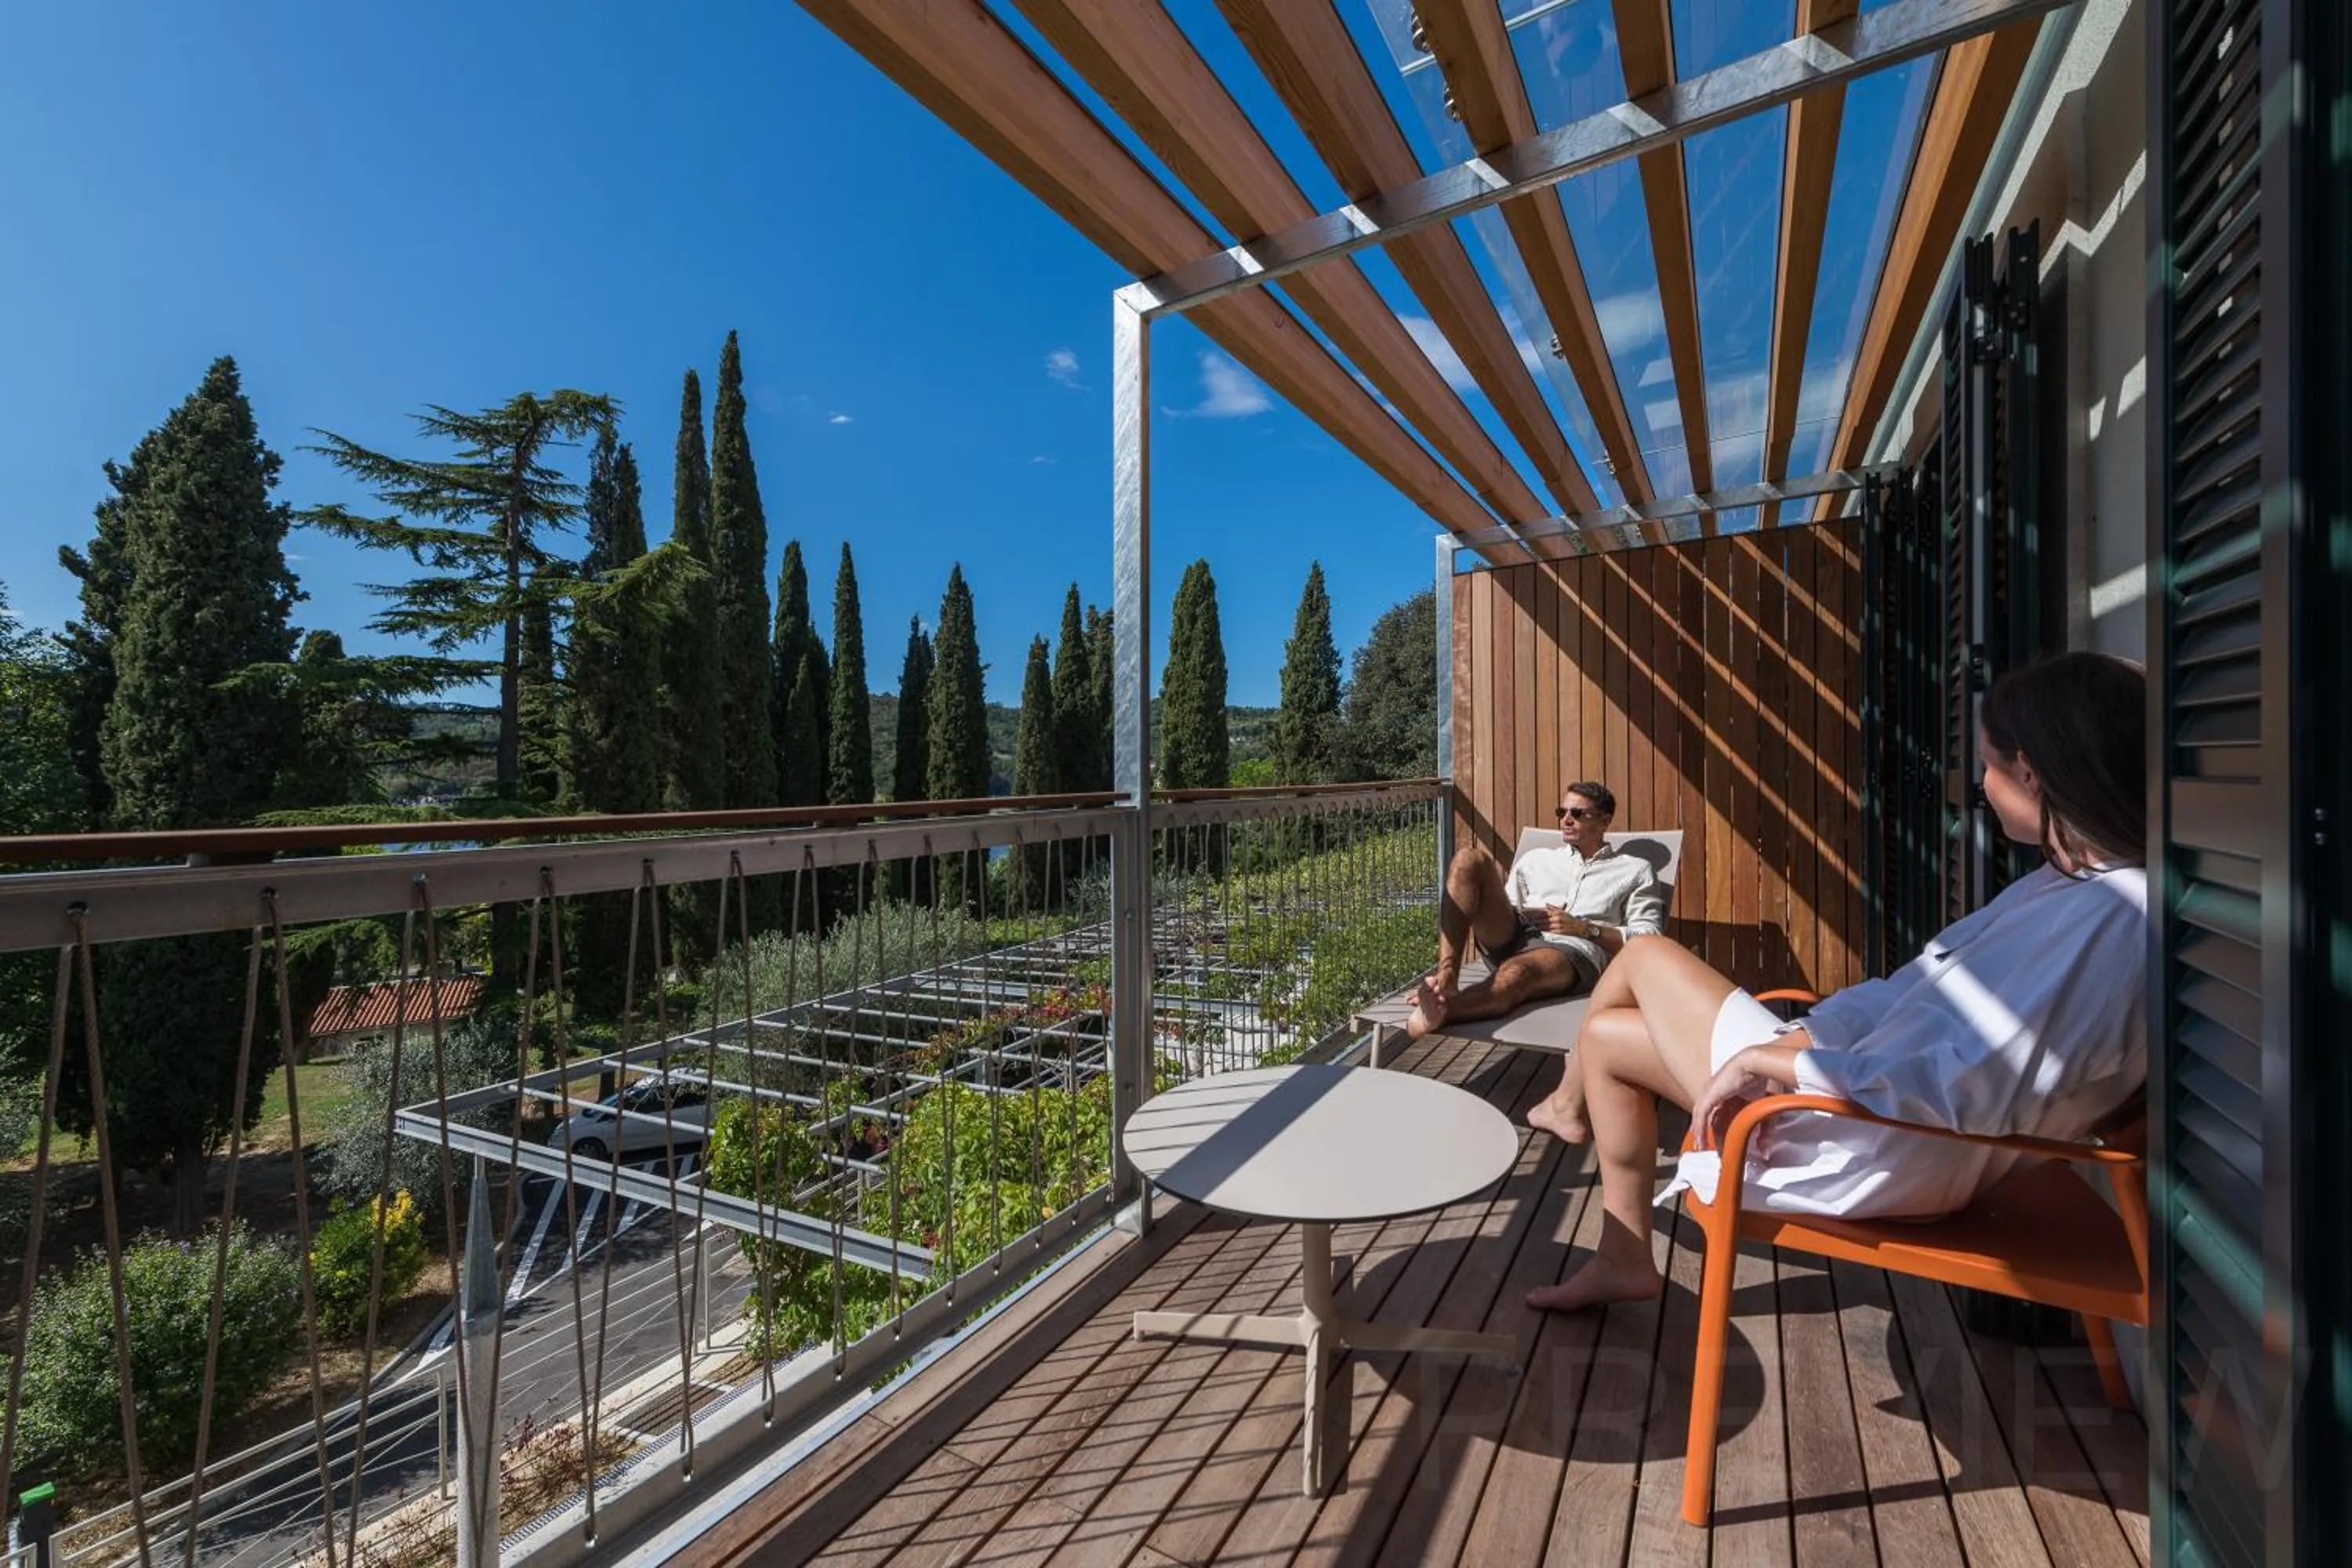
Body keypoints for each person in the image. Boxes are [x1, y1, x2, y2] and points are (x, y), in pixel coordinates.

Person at [1524, 652, 2148, 1314]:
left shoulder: (2114, 920)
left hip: (1873, 1139)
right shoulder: (2072, 889)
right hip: (1869, 1097)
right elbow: (1913, 998)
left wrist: (1788, 1065)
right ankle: (1623, 1257)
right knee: (1610, 1037)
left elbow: (1964, 1084)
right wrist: (1805, 1039)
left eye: (1988, 766)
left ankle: (1566, 1108)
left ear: (2031, 772)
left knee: (1646, 958)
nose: (1979, 785)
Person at [1405, 781, 1667, 1040]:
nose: (1566, 820)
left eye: (1577, 814)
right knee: (1468, 859)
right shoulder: (1536, 860)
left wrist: (1585, 928)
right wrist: (1524, 913)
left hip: (1571, 949)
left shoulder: (1635, 870)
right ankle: (1447, 978)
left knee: (1518, 973)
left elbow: (1649, 938)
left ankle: (1442, 1011)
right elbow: (1506, 906)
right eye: (1561, 812)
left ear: (1604, 821)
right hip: (1516, 933)